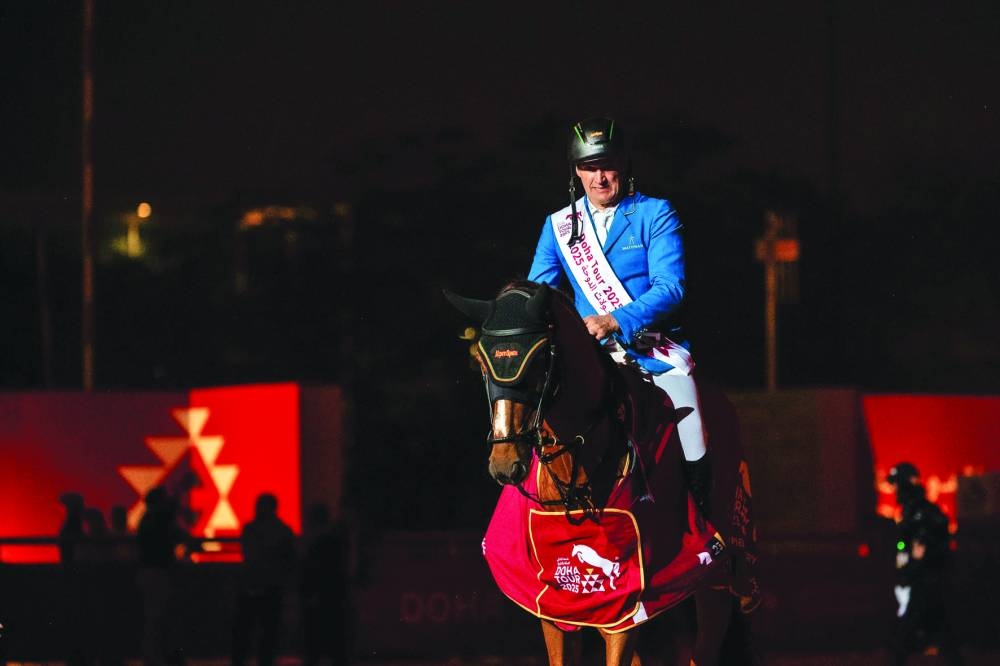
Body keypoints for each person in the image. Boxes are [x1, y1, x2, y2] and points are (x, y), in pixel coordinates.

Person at [527, 116, 712, 518]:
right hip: (589, 356)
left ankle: (703, 529)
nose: (599, 178)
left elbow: (670, 287)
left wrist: (615, 319)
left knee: (692, 434)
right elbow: (538, 296)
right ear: (576, 170)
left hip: (652, 354)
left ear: (624, 164)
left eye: (606, 165)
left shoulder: (654, 214)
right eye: (589, 168)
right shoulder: (557, 226)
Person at [886, 462, 964, 665]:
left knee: (904, 635)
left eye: (898, 485)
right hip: (923, 580)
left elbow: (926, 546)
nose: (895, 491)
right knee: (942, 633)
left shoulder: (923, 512)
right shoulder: (911, 512)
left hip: (927, 580)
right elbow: (904, 542)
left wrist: (914, 562)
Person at [231, 493, 296, 666]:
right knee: (267, 633)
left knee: (245, 632)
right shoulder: (282, 531)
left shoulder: (250, 529)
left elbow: (249, 555)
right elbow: (290, 560)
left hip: (252, 587)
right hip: (269, 587)